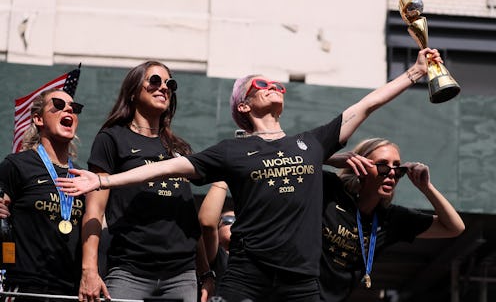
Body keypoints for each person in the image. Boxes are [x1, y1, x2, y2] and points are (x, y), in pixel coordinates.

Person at [58, 48, 443, 302]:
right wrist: (104, 180)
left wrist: (415, 72)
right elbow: (168, 166)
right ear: (244, 104)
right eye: (262, 85)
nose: (274, 87)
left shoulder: (312, 143)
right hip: (247, 279)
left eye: (277, 85)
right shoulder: (232, 151)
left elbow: (367, 105)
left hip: (300, 284)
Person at [77, 61, 213, 302]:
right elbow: (94, 211)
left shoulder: (179, 148)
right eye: (154, 81)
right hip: (129, 273)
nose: (164, 88)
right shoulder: (111, 139)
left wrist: (204, 272)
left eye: (170, 83)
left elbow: (188, 216)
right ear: (132, 91)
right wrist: (89, 270)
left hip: (182, 275)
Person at [319, 139, 465, 301]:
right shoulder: (330, 190)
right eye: (382, 165)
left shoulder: (390, 219)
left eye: (398, 168)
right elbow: (288, 162)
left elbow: (454, 227)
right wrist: (329, 159)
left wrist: (426, 187)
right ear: (359, 167)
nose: (392, 173)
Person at [0, 89, 86, 300]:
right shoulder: (17, 165)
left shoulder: (82, 175)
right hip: (27, 286)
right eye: (58, 104)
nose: (68, 109)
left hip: (70, 290)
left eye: (74, 108)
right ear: (38, 119)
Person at [198, 181, 235, 291]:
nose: (235, 224)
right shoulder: (216, 256)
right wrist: (222, 182)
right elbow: (208, 224)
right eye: (229, 221)